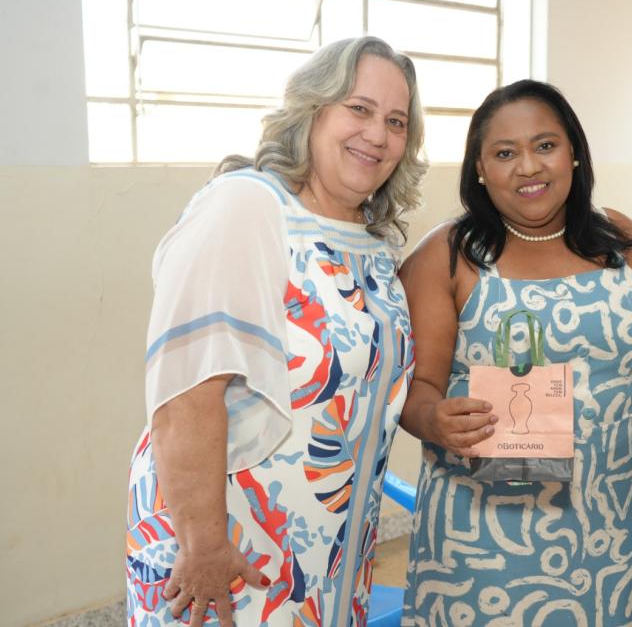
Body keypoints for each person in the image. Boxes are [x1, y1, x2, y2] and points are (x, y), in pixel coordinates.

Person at [124, 36, 426, 626]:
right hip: (232, 545)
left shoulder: (372, 240)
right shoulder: (245, 206)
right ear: (311, 111)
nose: (378, 134)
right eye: (358, 109)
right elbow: (186, 391)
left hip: (330, 548)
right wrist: (205, 546)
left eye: (396, 121)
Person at [397, 79, 632, 625]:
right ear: (480, 170)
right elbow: (415, 390)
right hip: (483, 534)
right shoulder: (450, 254)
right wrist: (434, 420)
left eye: (545, 145)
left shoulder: (624, 244)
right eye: (504, 153)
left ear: (575, 154)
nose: (528, 167)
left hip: (608, 523)